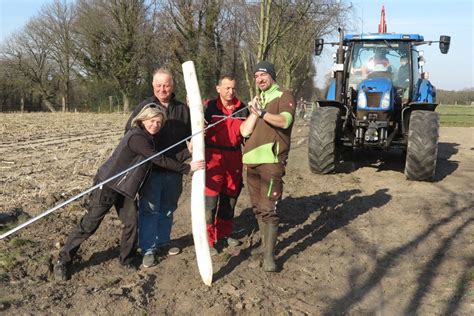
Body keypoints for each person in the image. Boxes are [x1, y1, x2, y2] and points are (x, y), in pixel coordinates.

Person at [53, 104, 205, 281]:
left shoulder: (150, 139)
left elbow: (162, 157)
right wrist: (187, 168)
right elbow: (157, 158)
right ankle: (62, 260)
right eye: (152, 121)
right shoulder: (136, 137)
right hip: (108, 185)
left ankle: (126, 260)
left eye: (158, 122)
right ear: (142, 119)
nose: (155, 125)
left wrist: (188, 151)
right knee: (89, 225)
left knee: (131, 223)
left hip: (127, 189)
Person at [125, 68, 193, 268]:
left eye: (167, 85)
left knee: (168, 209)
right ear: (153, 86)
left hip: (175, 169)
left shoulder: (183, 109)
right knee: (149, 209)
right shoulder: (144, 107)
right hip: (151, 170)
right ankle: (148, 249)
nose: (163, 89)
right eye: (159, 85)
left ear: (173, 86)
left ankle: (163, 243)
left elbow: (194, 132)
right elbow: (130, 134)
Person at [242, 61, 296, 272]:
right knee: (257, 207)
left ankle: (269, 256)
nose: (259, 80)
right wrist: (255, 112)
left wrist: (263, 113)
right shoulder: (259, 100)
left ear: (271, 76)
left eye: (263, 75)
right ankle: (264, 246)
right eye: (256, 76)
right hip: (251, 161)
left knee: (269, 207)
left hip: (272, 161)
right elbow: (245, 132)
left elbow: (284, 121)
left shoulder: (284, 95)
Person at [203, 75, 249, 255]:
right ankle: (208, 239)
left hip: (234, 156)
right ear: (218, 88)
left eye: (233, 88)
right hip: (213, 156)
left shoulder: (243, 108)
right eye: (227, 88)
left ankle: (224, 233)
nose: (230, 92)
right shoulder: (209, 108)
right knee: (210, 199)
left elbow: (248, 134)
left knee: (230, 198)